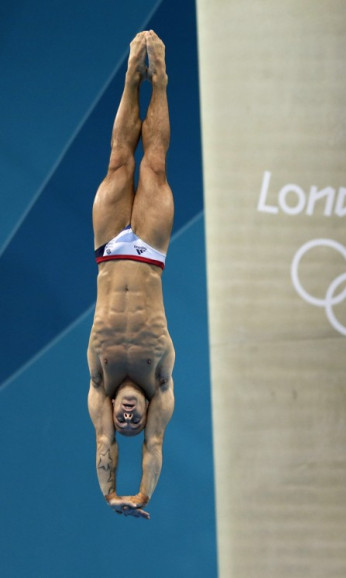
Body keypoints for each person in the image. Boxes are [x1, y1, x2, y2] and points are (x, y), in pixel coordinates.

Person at [87, 30, 175, 519]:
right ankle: (158, 80)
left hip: (107, 249)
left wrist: (110, 494)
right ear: (142, 416)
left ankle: (128, 80)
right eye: (130, 422)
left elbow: (103, 446)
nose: (124, 419)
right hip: (149, 252)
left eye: (119, 422)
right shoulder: (159, 385)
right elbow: (155, 448)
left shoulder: (100, 385)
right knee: (154, 167)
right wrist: (141, 495)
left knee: (120, 161)